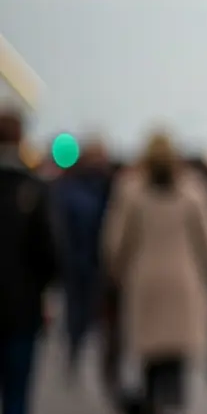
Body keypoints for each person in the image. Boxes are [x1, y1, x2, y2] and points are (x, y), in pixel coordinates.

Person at [102, 131, 207, 414]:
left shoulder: (130, 190)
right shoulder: (194, 190)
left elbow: (114, 243)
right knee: (176, 358)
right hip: (185, 283)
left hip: (144, 283)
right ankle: (171, 403)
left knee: (150, 358)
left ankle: (152, 401)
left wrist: (116, 275)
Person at [0, 107, 58, 414]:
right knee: (17, 395)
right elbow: (48, 252)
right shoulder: (32, 189)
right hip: (21, 306)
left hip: (20, 302)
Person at [53, 138, 112, 379]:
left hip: (86, 261)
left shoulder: (73, 187)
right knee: (80, 311)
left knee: (84, 312)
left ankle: (80, 353)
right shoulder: (88, 188)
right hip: (81, 260)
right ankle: (78, 352)